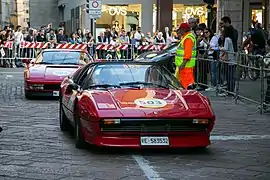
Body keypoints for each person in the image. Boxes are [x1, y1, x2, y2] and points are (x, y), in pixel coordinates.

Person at [175, 23, 197, 89]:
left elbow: (188, 54)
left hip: (185, 66)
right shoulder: (187, 37)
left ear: (183, 30)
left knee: (186, 85)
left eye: (180, 30)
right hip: (185, 66)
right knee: (186, 84)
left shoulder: (188, 38)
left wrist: (183, 64)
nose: (179, 31)